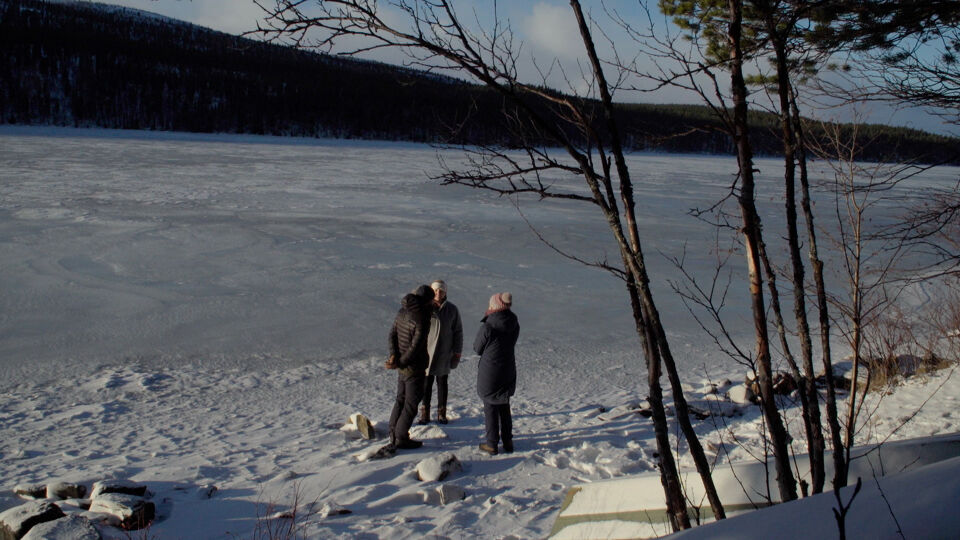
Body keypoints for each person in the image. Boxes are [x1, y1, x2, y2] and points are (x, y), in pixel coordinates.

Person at [384, 284, 434, 452]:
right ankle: (401, 437)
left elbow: (392, 335)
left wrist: (394, 357)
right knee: (411, 403)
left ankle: (392, 431)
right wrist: (401, 361)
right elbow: (417, 345)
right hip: (414, 367)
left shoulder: (402, 311)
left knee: (401, 398)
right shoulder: (422, 317)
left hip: (402, 366)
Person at [473, 292, 519, 455]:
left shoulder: (488, 326)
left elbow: (477, 349)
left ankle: (491, 443)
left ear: (496, 306)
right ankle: (508, 441)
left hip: (490, 371)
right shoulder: (514, 322)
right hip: (508, 368)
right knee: (504, 405)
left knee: (490, 405)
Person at [419, 279, 463, 425]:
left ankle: (441, 413)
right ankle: (424, 413)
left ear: (445, 292)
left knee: (442, 383)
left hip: (444, 353)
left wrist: (457, 352)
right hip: (427, 352)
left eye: (441, 290)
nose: (438, 293)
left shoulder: (452, 310)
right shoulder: (425, 308)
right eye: (436, 290)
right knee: (426, 383)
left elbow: (458, 332)